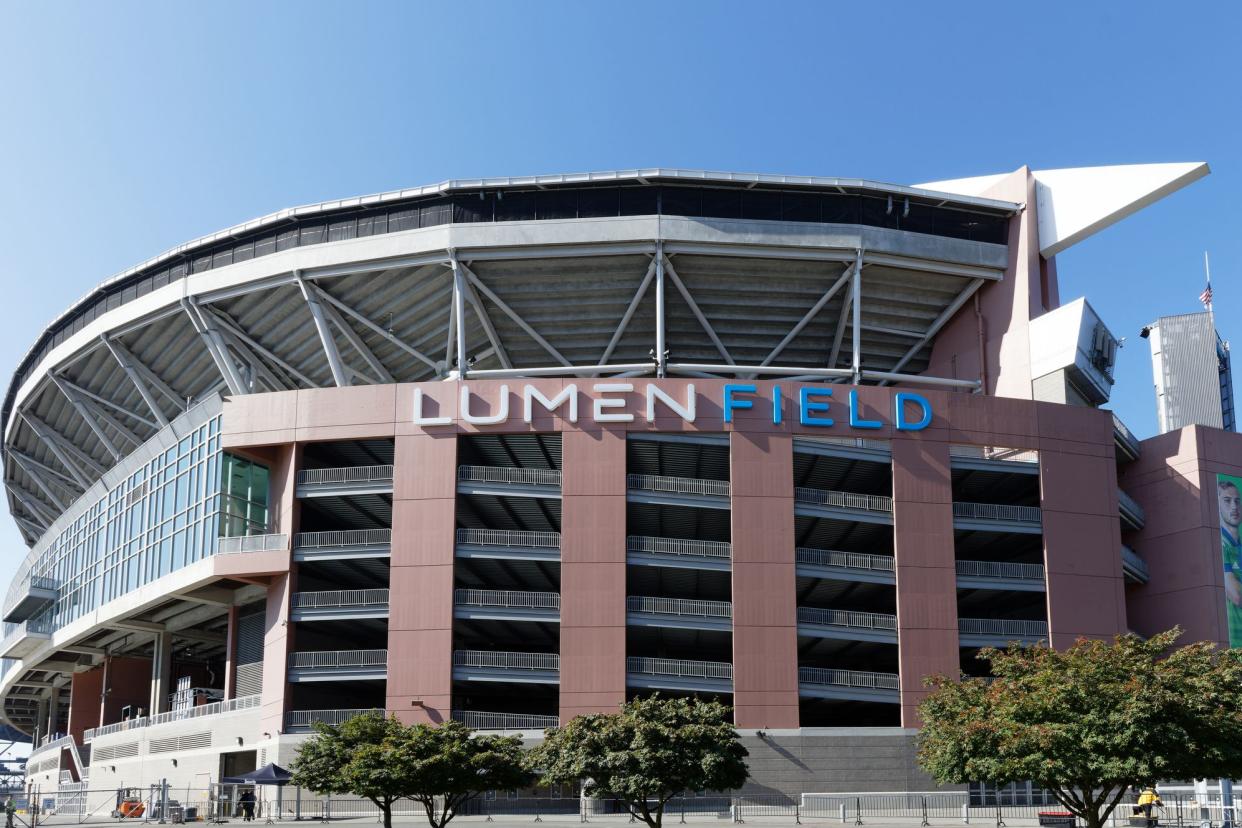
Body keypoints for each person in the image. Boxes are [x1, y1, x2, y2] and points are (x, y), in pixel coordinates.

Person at [1220, 480, 1242, 646]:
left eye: (1237, 500)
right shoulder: (1220, 544)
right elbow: (1236, 595)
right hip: (1234, 648)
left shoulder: (1238, 546)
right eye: (1227, 501)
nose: (1234, 507)